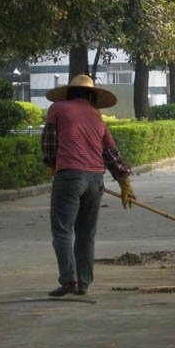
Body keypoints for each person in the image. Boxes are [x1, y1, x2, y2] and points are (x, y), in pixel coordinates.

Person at [41, 74, 135, 297]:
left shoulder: (57, 108)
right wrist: (125, 183)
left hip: (69, 176)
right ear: (92, 96)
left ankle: (68, 279)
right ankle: (83, 283)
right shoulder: (96, 116)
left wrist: (50, 163)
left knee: (63, 230)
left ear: (68, 93)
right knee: (86, 233)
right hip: (95, 180)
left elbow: (49, 141)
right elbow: (111, 153)